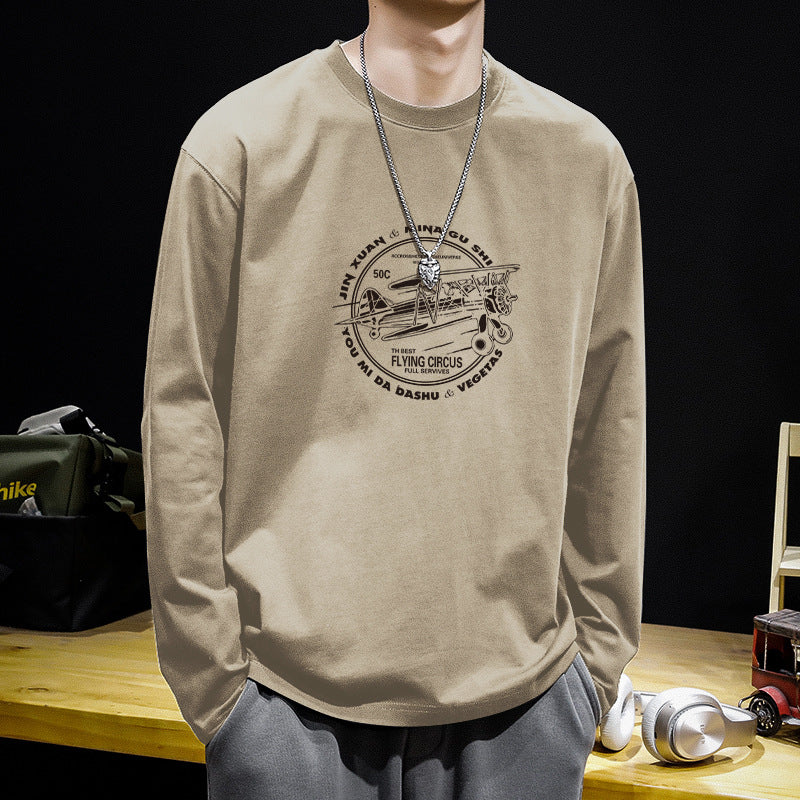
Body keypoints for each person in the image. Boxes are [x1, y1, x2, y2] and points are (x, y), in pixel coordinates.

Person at [141, 1, 646, 798]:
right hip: (284, 710)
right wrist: (219, 687)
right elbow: (181, 415)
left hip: (527, 712)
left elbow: (610, 420)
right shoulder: (240, 145)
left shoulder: (586, 163)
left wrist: (595, 669)